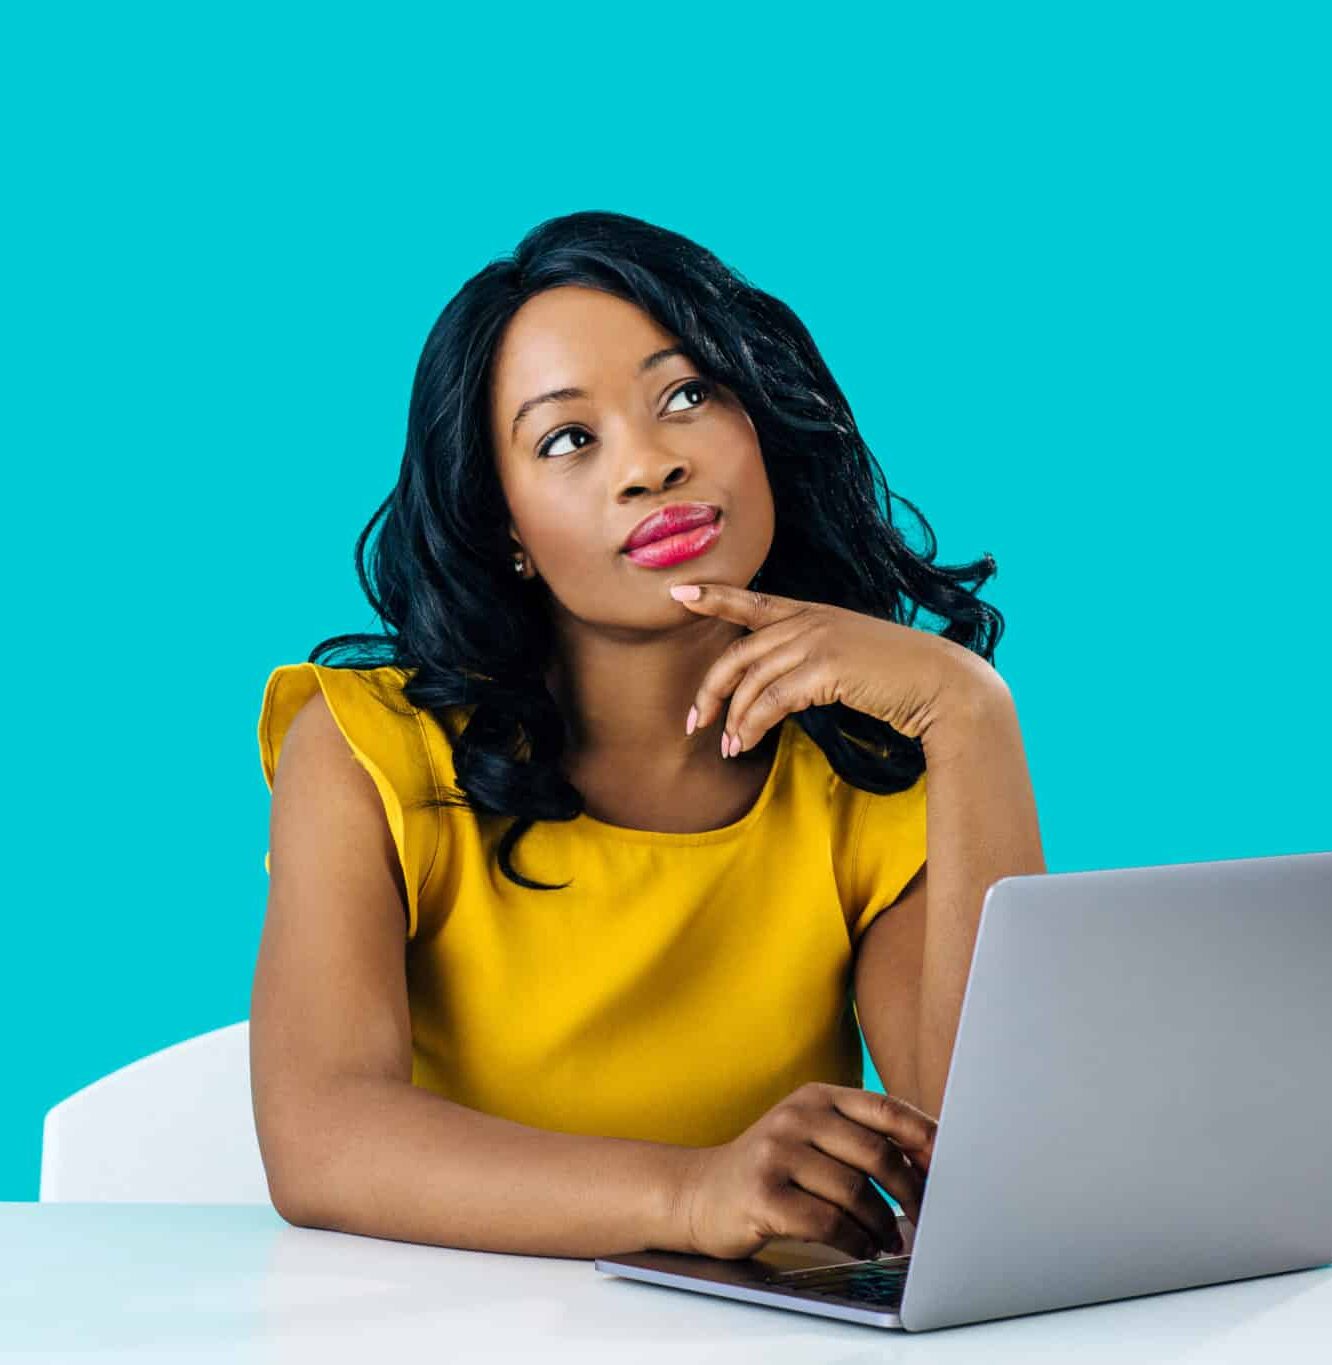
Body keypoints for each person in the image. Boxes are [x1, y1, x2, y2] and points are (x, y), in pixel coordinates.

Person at [250, 209, 1045, 1265]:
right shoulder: (370, 750)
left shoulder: (861, 772)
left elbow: (995, 1169)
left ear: (761, 426)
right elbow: (321, 1144)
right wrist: (689, 1193)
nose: (651, 464)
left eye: (687, 395)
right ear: (505, 528)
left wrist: (972, 718)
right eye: (569, 438)